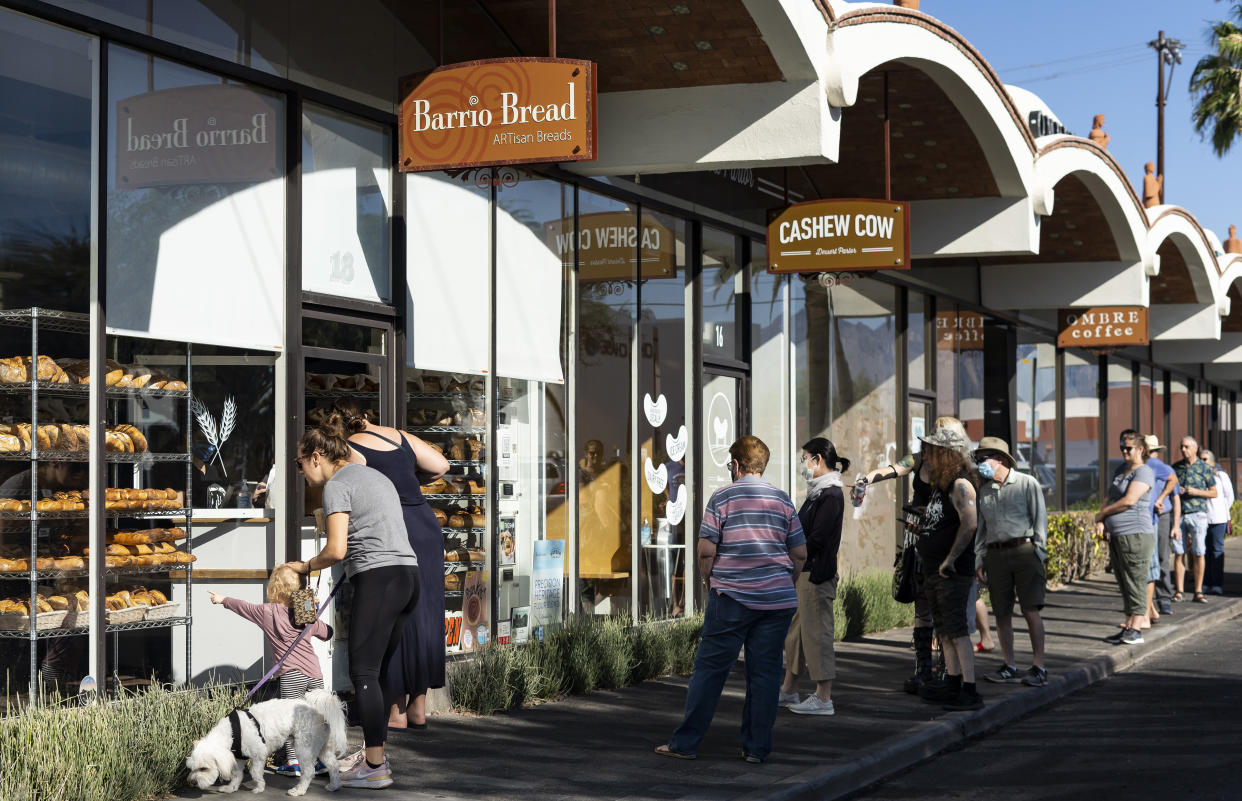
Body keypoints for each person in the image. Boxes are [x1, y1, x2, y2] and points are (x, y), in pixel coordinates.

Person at [281, 425, 422, 790]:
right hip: (409, 577)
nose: (302, 473)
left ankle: (374, 767)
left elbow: (337, 549)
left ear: (316, 456)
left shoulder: (337, 485)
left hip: (380, 581)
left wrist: (307, 566)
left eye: (300, 464)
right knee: (378, 672)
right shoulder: (376, 477)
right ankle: (374, 756)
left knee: (363, 674)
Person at [655, 435, 806, 763]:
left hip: (732, 598)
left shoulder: (723, 497)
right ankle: (756, 749)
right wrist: (783, 582)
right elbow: (799, 553)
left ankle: (685, 744)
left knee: (710, 669)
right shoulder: (782, 500)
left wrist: (710, 582)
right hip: (777, 602)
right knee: (765, 675)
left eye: (729, 464)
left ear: (736, 465)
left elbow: (706, 551)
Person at [326, 399, 450, 731]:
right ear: (367, 416)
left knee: (393, 617)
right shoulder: (399, 436)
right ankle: (418, 708)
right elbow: (441, 465)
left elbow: (353, 490)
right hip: (426, 523)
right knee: (423, 613)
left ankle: (394, 710)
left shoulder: (351, 449)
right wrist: (410, 479)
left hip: (395, 528)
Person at [208, 565, 333, 776]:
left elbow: (244, 607)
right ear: (298, 590)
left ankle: (294, 762)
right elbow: (327, 633)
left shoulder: (268, 612)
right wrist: (314, 616)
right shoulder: (305, 611)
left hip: (291, 674)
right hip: (315, 673)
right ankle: (317, 760)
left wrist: (223, 600)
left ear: (274, 589)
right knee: (316, 719)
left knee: (292, 720)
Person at [910, 427, 983, 711]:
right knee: (943, 630)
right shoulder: (943, 485)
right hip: (935, 568)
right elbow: (947, 521)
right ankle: (953, 683)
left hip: (951, 571)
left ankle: (969, 689)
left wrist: (950, 559)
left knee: (956, 631)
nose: (925, 455)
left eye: (931, 450)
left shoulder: (961, 484)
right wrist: (925, 528)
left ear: (945, 453)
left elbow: (970, 522)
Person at [779, 437, 849, 716]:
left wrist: (792, 547)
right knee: (796, 635)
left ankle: (823, 697)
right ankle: (788, 690)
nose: (803, 464)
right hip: (804, 573)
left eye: (805, 458)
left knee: (817, 634)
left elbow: (816, 538)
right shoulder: (818, 493)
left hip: (816, 574)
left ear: (818, 459)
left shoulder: (830, 494)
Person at [972, 437, 1049, 688]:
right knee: (1002, 612)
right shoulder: (983, 491)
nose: (980, 464)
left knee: (1030, 610)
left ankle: (1039, 666)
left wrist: (1039, 553)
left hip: (1024, 550)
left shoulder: (1027, 483)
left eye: (985, 459)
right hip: (996, 555)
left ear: (1001, 459)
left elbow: (1040, 521)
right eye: (979, 459)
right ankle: (1009, 664)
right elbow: (981, 530)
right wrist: (979, 560)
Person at [1096, 432, 1155, 645]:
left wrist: (1102, 514)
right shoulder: (1121, 470)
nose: (1124, 451)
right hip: (1118, 536)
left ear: (1140, 449)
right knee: (1124, 581)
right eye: (1122, 447)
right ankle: (1128, 625)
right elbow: (1110, 496)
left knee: (1136, 581)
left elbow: (1129, 501)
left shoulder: (1144, 472)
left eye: (1128, 448)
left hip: (1136, 535)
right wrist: (1101, 521)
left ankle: (1137, 629)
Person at [1172, 436, 1217, 604]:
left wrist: (1197, 492)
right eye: (1181, 447)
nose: (1183, 450)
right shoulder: (1176, 468)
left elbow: (1214, 492)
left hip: (1198, 514)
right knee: (1178, 553)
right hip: (1180, 514)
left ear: (1195, 448)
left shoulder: (1204, 468)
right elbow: (1170, 488)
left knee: (1199, 553)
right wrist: (1178, 490)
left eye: (1186, 447)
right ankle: (1179, 591)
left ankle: (1198, 591)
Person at [1143, 435, 1181, 617]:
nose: (1154, 455)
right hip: (1145, 517)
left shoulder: (1163, 469)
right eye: (1152, 451)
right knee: (1148, 560)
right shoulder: (1141, 467)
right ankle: (1147, 603)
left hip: (1162, 516)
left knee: (1162, 557)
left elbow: (1175, 496)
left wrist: (1176, 525)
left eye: (1155, 451)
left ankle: (1164, 599)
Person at [1200, 449, 1233, 595]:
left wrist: (1223, 512)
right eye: (1200, 459)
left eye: (1205, 459)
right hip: (1202, 518)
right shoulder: (1198, 475)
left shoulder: (1220, 476)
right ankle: (1206, 582)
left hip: (1218, 518)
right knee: (1204, 551)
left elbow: (1229, 496)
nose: (1203, 462)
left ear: (1212, 461)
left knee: (1217, 550)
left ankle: (1217, 583)